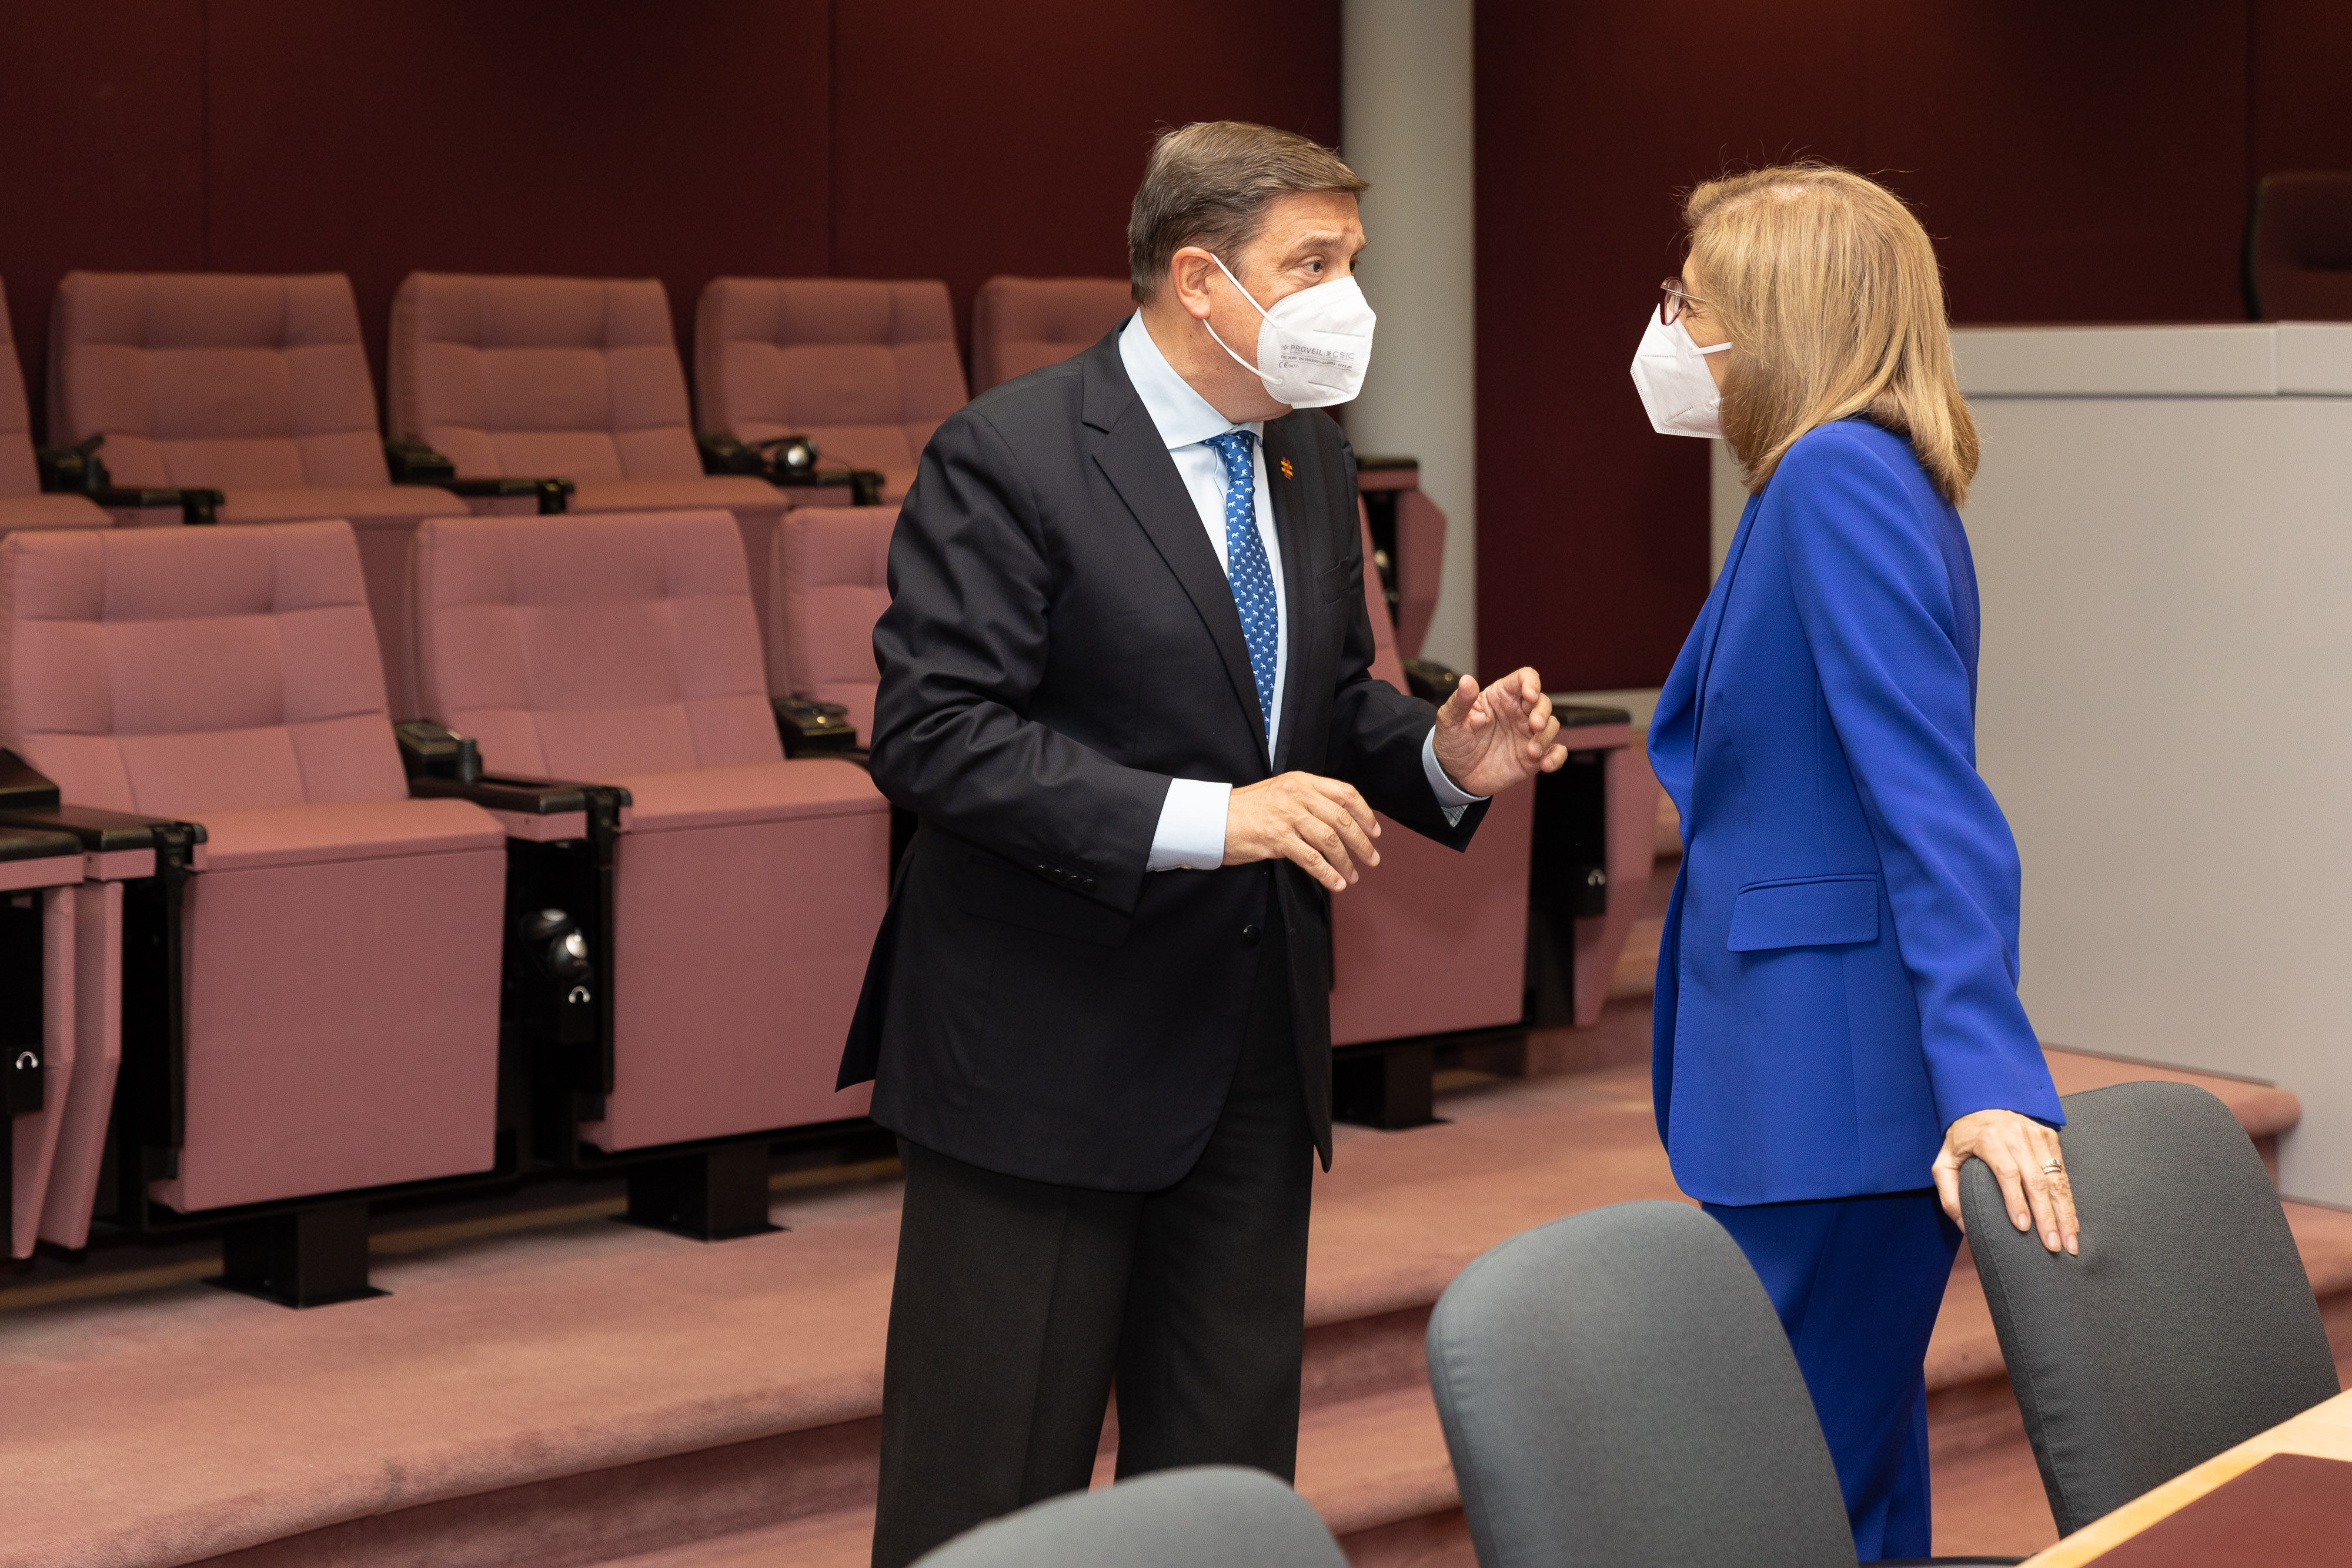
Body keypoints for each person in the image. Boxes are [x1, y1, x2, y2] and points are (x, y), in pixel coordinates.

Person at [841, 119, 1566, 1568]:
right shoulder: (1010, 453)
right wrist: (1205, 818)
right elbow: (934, 733)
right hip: (1042, 1058)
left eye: (1351, 263)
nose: (1346, 299)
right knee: (989, 1493)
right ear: (1195, 278)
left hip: (1245, 1054)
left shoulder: (1306, 454)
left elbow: (1316, 706)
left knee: (1221, 1492)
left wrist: (1442, 756)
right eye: (1313, 264)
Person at [1635, 163, 2082, 1560]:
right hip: (1811, 1080)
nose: (1669, 329)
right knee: (1858, 1500)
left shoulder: (1834, 478)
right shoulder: (1849, 474)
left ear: (1777, 320)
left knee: (1780, 1509)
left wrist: (1989, 1072)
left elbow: (1926, 794)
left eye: (1689, 301)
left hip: (1820, 1089)